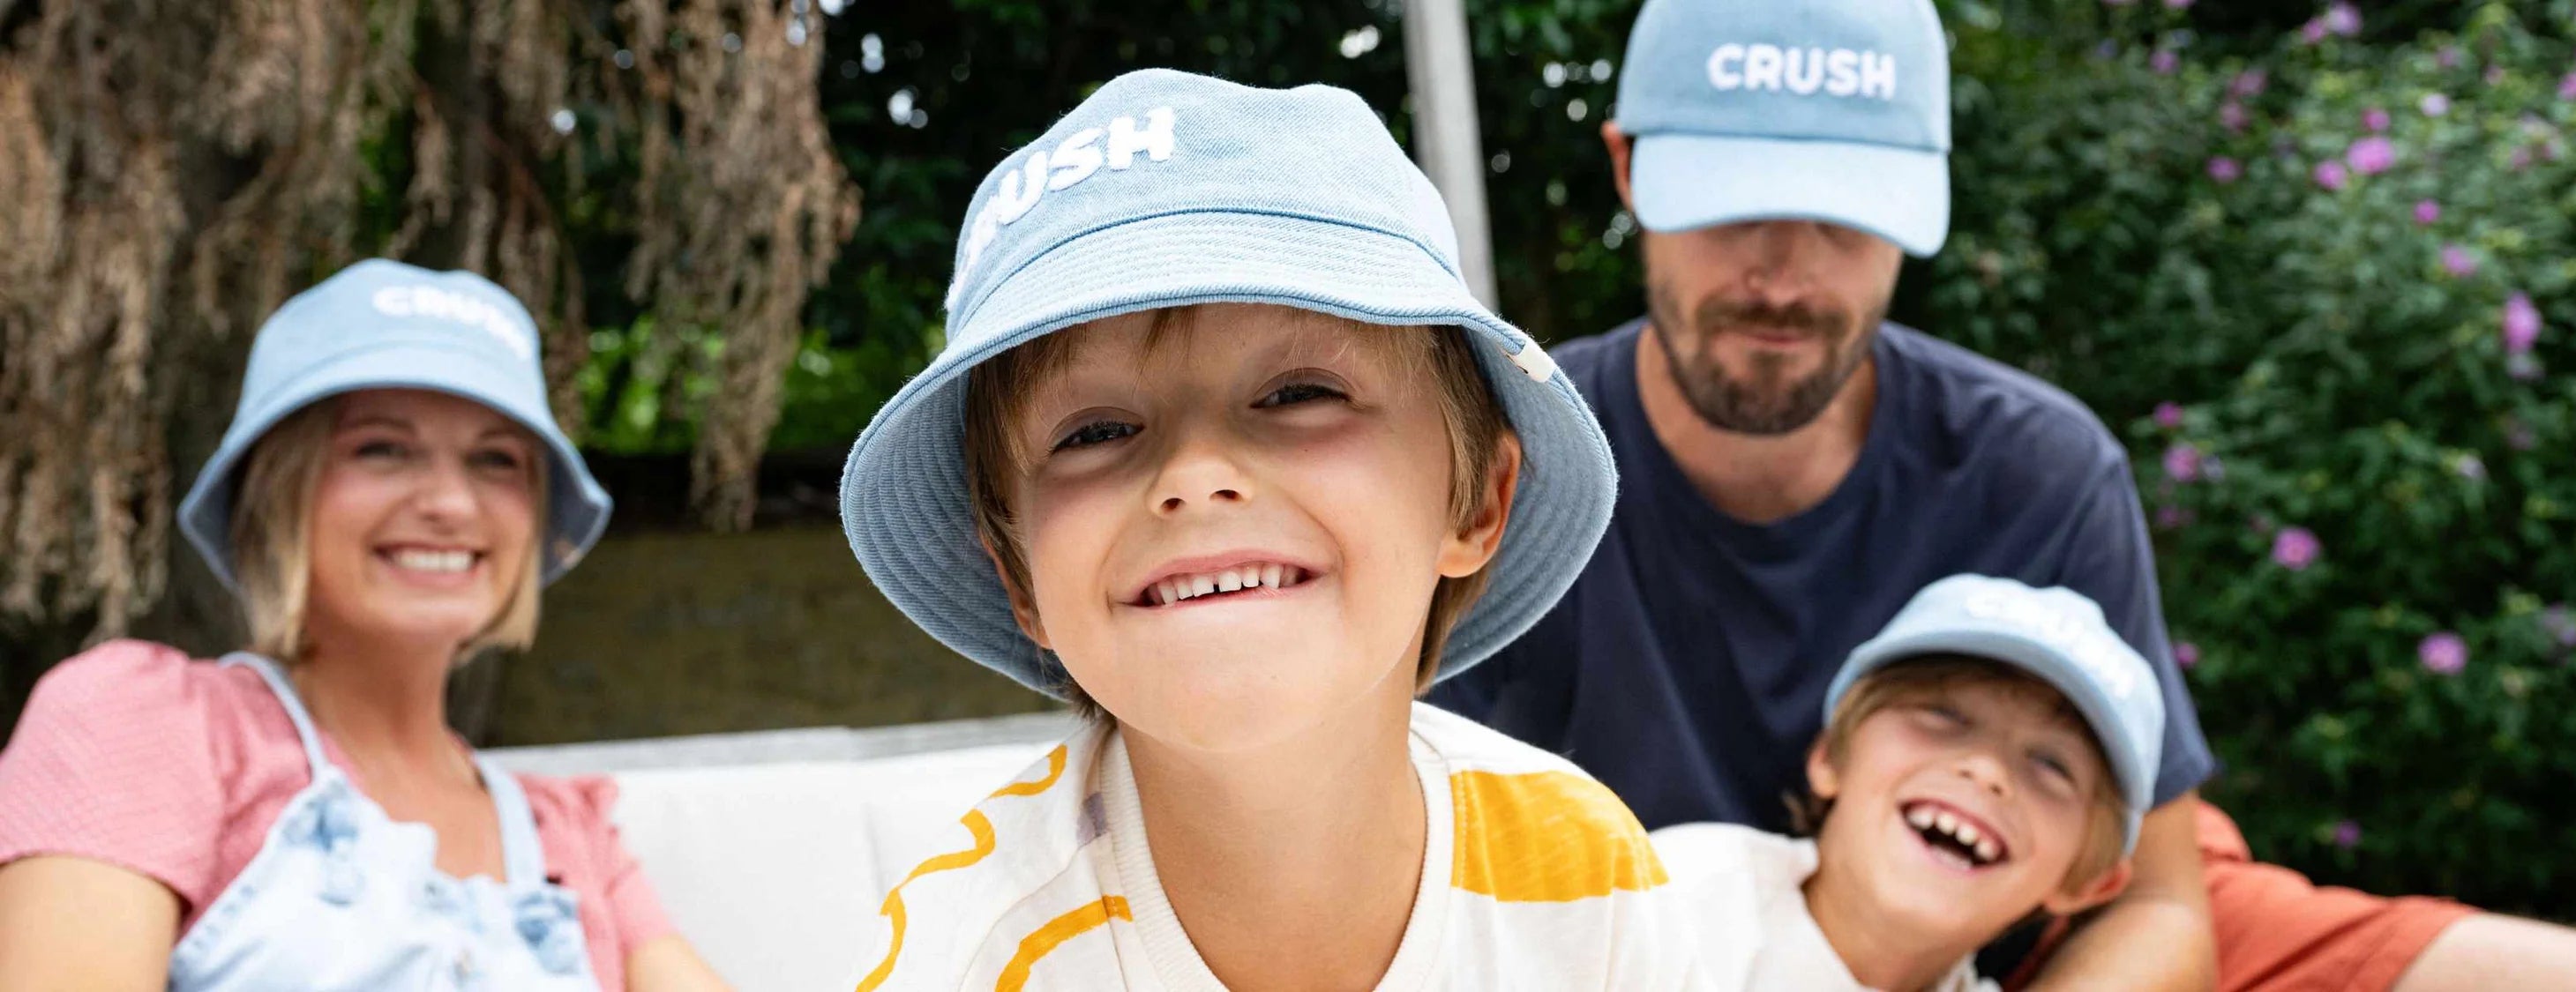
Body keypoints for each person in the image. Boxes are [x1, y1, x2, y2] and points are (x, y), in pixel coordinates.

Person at [1436, 0, 2576, 988]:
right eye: (1734, 204)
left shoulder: (2037, 464)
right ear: (1630, 170)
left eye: (1846, 220)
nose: (1784, 275)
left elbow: (2167, 898)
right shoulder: (1506, 464)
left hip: (2002, 933)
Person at [836, 69, 1693, 990]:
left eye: (1298, 394)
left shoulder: (1585, 885)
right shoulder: (965, 955)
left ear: (1476, 501)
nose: (1195, 476)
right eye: (1094, 432)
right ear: (1017, 578)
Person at [0, 260, 727, 991]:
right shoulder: (144, 723)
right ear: (274, 490)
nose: (450, 501)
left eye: (496, 460)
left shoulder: (570, 837)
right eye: (381, 447)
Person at [1657, 574, 2167, 991]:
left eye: (2053, 766)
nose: (1986, 772)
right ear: (1832, 754)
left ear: (2090, 881)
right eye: (1943, 715)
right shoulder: (1664, 897)